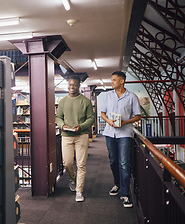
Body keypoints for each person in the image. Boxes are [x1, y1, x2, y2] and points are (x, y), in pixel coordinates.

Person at [100, 71, 141, 208]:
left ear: (122, 81)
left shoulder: (132, 97)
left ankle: (125, 194)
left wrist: (124, 122)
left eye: (114, 80)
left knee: (124, 163)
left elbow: (137, 116)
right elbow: (102, 113)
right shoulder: (107, 96)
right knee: (113, 161)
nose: (111, 82)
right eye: (111, 80)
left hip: (125, 133)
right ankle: (117, 184)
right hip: (110, 132)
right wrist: (109, 121)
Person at [55, 75, 95, 202]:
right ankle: (72, 178)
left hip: (81, 135)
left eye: (74, 85)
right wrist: (62, 125)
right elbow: (58, 117)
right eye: (70, 85)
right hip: (66, 136)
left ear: (79, 86)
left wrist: (81, 126)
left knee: (81, 164)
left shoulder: (86, 101)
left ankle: (79, 190)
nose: (71, 87)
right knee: (67, 163)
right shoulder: (62, 101)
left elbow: (91, 119)